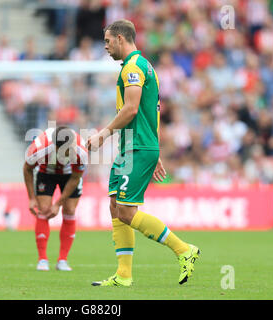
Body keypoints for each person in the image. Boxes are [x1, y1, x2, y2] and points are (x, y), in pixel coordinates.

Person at [86, 19, 200, 287]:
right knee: (115, 206)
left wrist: (103, 134)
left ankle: (184, 250)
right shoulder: (142, 66)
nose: (105, 46)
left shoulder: (134, 67)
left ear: (121, 40)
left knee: (126, 211)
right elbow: (153, 111)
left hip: (137, 147)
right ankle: (124, 275)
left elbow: (132, 108)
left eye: (107, 41)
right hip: (133, 147)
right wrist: (155, 148)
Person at [23, 126, 88, 271]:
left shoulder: (81, 150)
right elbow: (27, 169)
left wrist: (58, 204)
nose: (68, 154)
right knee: (44, 210)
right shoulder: (39, 148)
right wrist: (31, 198)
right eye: (64, 151)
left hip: (70, 175)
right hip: (46, 172)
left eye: (69, 150)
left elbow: (76, 177)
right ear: (55, 146)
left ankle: (62, 260)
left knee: (70, 210)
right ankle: (42, 259)